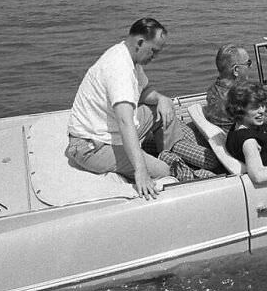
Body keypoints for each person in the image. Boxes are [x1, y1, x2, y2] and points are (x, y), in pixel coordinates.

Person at [66, 17, 199, 200]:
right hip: (92, 147)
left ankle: (170, 152)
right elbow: (125, 122)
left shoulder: (129, 56)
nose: (155, 57)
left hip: (109, 130)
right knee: (163, 170)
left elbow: (143, 92)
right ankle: (166, 166)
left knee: (162, 110)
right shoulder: (119, 68)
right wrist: (141, 171)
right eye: (153, 51)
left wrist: (162, 99)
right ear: (140, 42)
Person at [205, 43, 267, 133]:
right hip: (253, 140)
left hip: (233, 138)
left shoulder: (213, 90)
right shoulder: (236, 99)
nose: (250, 66)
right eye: (248, 63)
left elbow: (249, 94)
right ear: (236, 70)